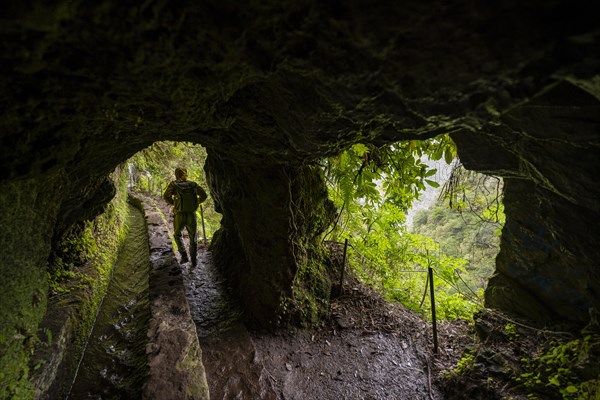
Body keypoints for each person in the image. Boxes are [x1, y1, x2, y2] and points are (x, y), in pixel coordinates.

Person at [163, 167, 207, 266]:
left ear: (176, 175)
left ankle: (184, 256)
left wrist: (175, 203)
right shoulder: (193, 184)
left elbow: (166, 196)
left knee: (177, 235)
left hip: (179, 214)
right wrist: (196, 203)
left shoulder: (174, 184)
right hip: (191, 214)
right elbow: (204, 195)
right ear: (186, 174)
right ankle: (194, 260)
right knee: (193, 237)